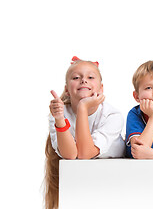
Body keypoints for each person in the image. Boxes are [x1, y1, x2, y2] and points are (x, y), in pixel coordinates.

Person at [44, 56, 125, 209]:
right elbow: (70, 154)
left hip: (113, 177)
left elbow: (85, 153)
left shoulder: (112, 115)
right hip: (79, 177)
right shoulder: (59, 113)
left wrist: (82, 108)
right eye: (76, 77)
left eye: (90, 77)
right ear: (67, 89)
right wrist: (60, 119)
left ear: (101, 89)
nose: (83, 80)